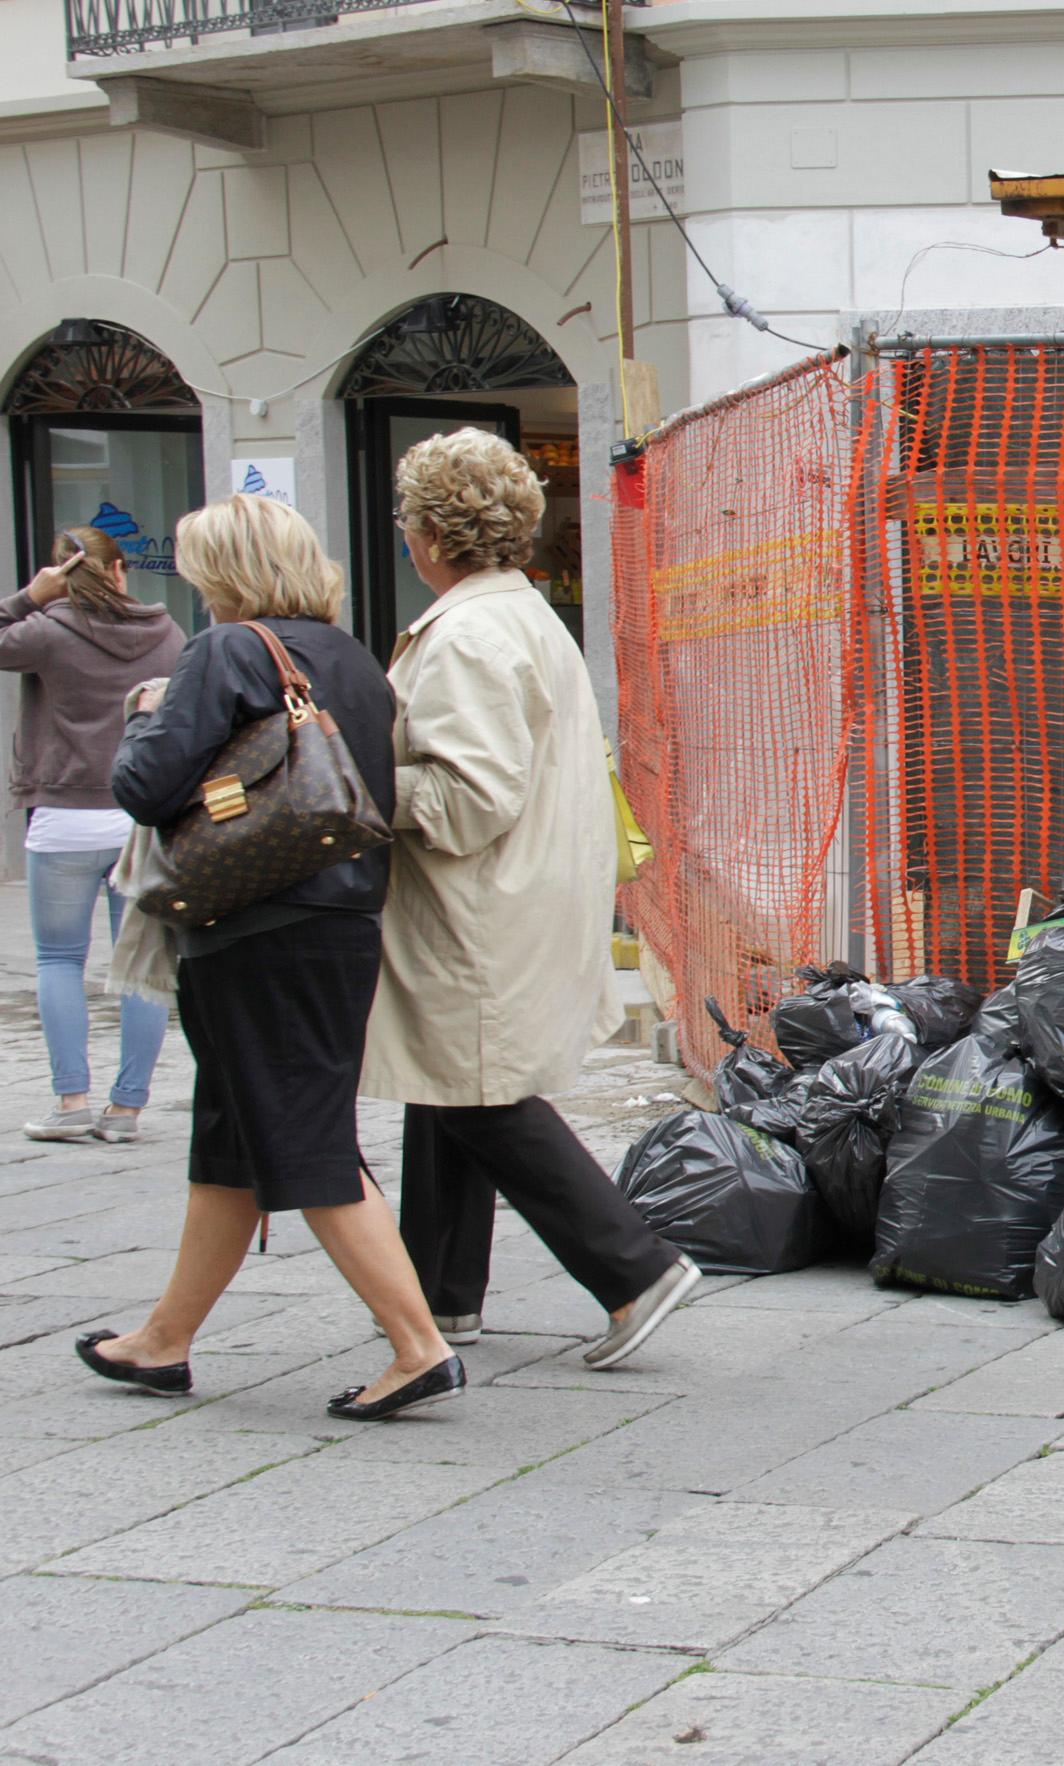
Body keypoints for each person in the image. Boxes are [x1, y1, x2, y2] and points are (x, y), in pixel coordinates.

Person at [80, 494, 461, 1422]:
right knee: (233, 1137)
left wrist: (144, 711)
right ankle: (164, 1341)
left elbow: (143, 787)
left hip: (256, 927)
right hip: (337, 923)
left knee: (302, 1134)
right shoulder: (354, 660)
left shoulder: (226, 650)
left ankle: (419, 1347)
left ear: (228, 571)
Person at [364, 429, 694, 1368]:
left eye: (404, 520)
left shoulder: (468, 633)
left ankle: (634, 1268)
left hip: (480, 902)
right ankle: (441, 1299)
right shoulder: (519, 614)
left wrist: (354, 785)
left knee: (476, 1091)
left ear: (431, 531)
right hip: (516, 892)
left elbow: (466, 799)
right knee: (451, 1079)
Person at [0, 527, 184, 1143]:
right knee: (140, 968)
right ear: (121, 569)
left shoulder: (44, 632)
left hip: (62, 817)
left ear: (59, 574)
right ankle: (127, 1111)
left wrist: (28, 598)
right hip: (138, 817)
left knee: (58, 960)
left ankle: (71, 1103)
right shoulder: (167, 633)